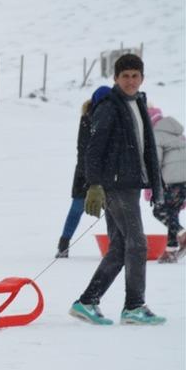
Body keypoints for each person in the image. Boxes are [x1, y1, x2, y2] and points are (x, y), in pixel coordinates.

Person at [69, 54, 166, 326]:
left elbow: (144, 145)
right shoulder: (110, 106)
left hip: (130, 182)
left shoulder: (137, 103)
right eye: (125, 76)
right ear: (115, 79)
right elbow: (93, 149)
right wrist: (96, 184)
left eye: (135, 76)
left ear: (142, 78)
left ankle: (87, 301)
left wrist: (154, 182)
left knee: (121, 246)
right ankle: (134, 306)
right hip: (116, 184)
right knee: (138, 243)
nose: (131, 81)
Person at [56, 86, 111, 257]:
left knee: (113, 210)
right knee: (77, 208)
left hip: (108, 173)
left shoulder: (113, 117)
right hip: (85, 172)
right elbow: (83, 149)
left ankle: (117, 245)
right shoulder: (87, 119)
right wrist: (89, 176)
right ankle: (63, 244)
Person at [147, 106, 186, 262]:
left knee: (159, 211)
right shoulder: (179, 134)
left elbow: (155, 162)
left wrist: (151, 186)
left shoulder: (156, 135)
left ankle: (183, 234)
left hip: (171, 180)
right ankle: (170, 252)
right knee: (173, 213)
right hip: (184, 181)